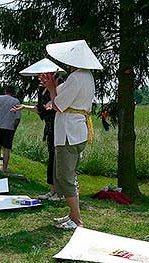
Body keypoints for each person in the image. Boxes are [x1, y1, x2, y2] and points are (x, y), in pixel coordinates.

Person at [40, 40, 102, 229]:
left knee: (65, 176)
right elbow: (60, 94)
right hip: (75, 131)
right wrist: (51, 86)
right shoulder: (85, 76)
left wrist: (51, 88)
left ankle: (76, 219)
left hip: (69, 133)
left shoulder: (77, 77)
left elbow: (57, 103)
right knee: (67, 175)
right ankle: (72, 215)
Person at [11, 85, 62, 201]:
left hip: (60, 129)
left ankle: (60, 193)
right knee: (52, 160)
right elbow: (40, 110)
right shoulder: (41, 90)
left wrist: (53, 101)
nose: (40, 78)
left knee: (58, 160)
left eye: (43, 75)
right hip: (50, 130)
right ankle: (52, 191)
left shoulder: (59, 88)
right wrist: (24, 107)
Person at [0, 86, 21, 174]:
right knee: (7, 149)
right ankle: (4, 169)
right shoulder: (16, 101)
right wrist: (14, 128)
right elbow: (17, 118)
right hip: (9, 127)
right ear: (13, 92)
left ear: (5, 91)